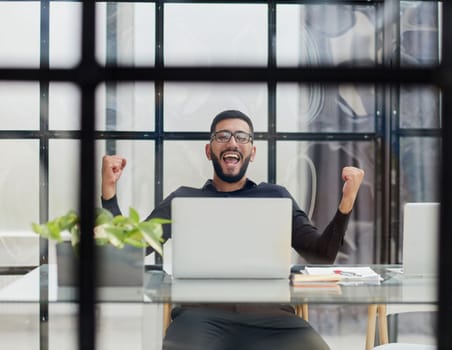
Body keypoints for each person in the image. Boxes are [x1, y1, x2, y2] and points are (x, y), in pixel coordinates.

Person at [101, 109, 365, 350]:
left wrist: (346, 203)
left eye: (241, 137)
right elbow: (131, 249)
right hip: (199, 319)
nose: (232, 142)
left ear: (252, 151)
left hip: (272, 319)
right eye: (223, 136)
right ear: (209, 150)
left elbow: (321, 255)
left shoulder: (276, 197)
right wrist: (109, 195)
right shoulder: (183, 200)